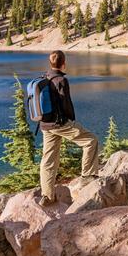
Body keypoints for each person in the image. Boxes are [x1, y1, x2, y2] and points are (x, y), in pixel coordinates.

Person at [39, 50, 99, 206]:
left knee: (48, 159)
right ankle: (88, 176)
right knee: (91, 141)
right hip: (60, 124)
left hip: (45, 125)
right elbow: (66, 105)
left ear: (50, 63)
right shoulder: (61, 80)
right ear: (64, 63)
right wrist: (71, 120)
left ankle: (47, 195)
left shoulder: (45, 77)